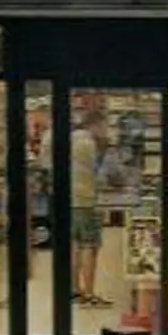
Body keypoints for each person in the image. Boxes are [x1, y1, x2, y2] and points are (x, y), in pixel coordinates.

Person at [71, 109, 110, 307]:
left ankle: (74, 290)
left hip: (70, 199)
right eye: (104, 126)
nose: (105, 130)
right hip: (87, 200)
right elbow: (100, 174)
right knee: (90, 246)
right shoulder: (89, 144)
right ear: (95, 124)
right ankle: (89, 294)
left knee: (76, 245)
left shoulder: (70, 139)